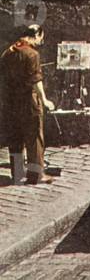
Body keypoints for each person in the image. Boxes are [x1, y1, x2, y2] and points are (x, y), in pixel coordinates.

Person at [0, 24, 55, 184]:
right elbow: (36, 81)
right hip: (29, 101)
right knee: (34, 137)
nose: (40, 42)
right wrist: (45, 100)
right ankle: (36, 175)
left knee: (15, 137)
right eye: (40, 38)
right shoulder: (32, 54)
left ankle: (16, 174)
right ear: (36, 35)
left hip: (11, 101)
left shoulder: (9, 51)